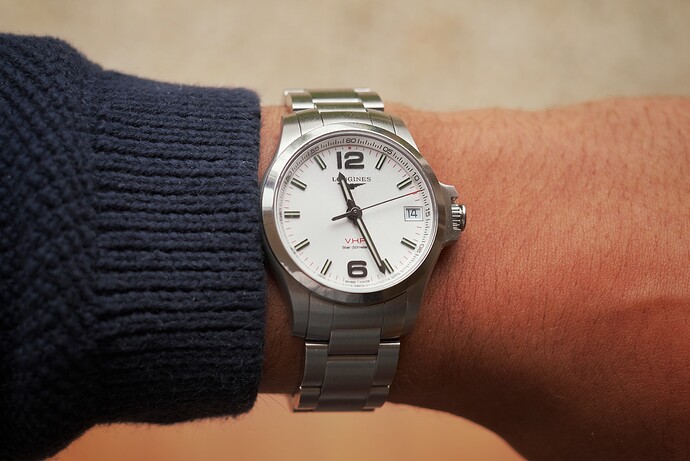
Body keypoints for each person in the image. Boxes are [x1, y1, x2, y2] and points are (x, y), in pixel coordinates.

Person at [1, 34, 688, 461]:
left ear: (446, 215)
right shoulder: (293, 203)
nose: (355, 210)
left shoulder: (427, 220)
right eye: (353, 205)